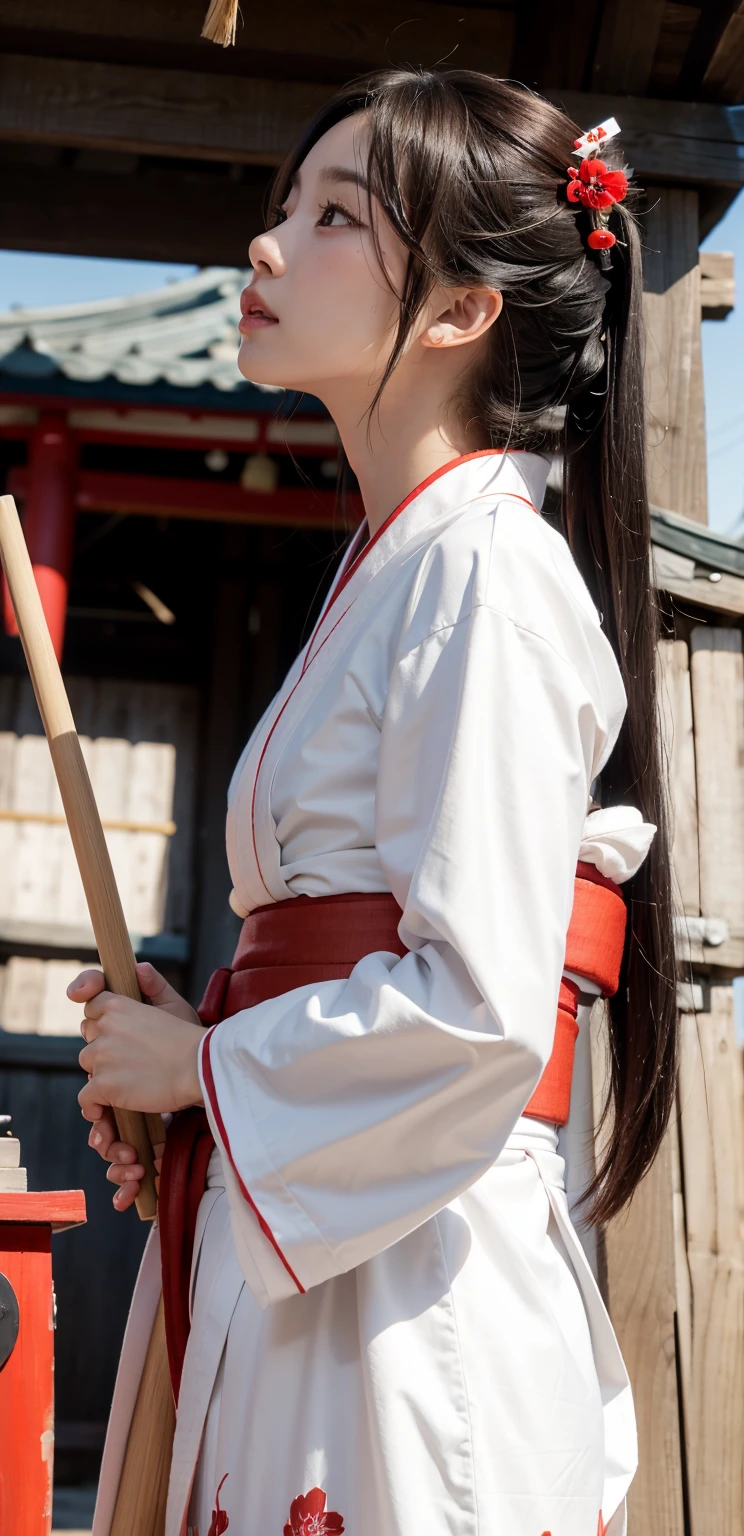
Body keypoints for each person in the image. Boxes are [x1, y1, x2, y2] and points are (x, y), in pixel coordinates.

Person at [70, 69, 676, 1536]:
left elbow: (480, 1006)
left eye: (334, 215)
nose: (267, 247)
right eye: (285, 206)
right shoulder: (405, 565)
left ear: (464, 310)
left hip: (411, 1280)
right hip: (334, 1245)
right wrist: (200, 1041)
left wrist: (207, 1078)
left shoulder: (485, 572)